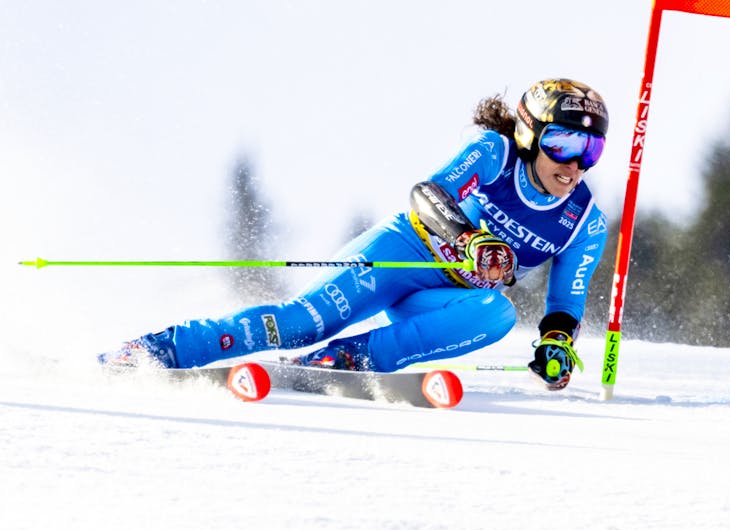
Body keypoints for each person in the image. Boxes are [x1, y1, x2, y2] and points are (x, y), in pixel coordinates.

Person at [99, 78, 610, 390]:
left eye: (590, 150)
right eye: (563, 144)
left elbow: (565, 302)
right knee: (303, 322)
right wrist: (469, 239)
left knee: (497, 314)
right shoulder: (495, 153)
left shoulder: (584, 223)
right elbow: (428, 194)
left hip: (443, 298)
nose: (574, 164)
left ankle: (349, 359)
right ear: (529, 134)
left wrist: (556, 345)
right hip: (401, 255)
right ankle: (159, 349)